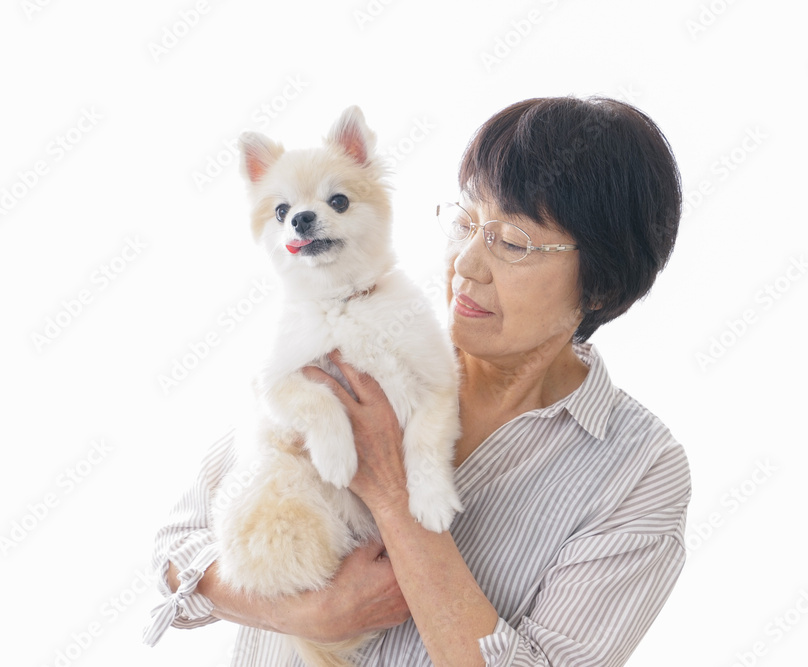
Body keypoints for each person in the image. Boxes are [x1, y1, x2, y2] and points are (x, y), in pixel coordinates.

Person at [145, 96, 690, 666]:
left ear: (603, 285)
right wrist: (307, 614)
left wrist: (393, 498)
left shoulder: (640, 470)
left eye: (513, 242)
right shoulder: (362, 332)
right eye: (465, 223)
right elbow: (176, 552)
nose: (465, 265)